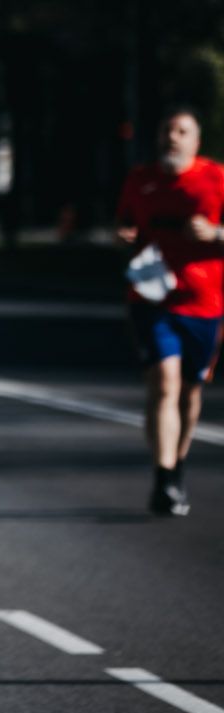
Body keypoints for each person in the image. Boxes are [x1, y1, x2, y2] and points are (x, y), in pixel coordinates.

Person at [115, 107, 224, 516]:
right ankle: (163, 480)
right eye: (167, 130)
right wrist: (123, 236)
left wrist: (216, 234)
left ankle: (176, 465)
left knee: (190, 391)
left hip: (205, 303)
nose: (173, 137)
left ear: (196, 142)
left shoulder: (216, 179)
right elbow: (125, 225)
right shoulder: (141, 180)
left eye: (182, 131)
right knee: (165, 382)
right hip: (150, 298)